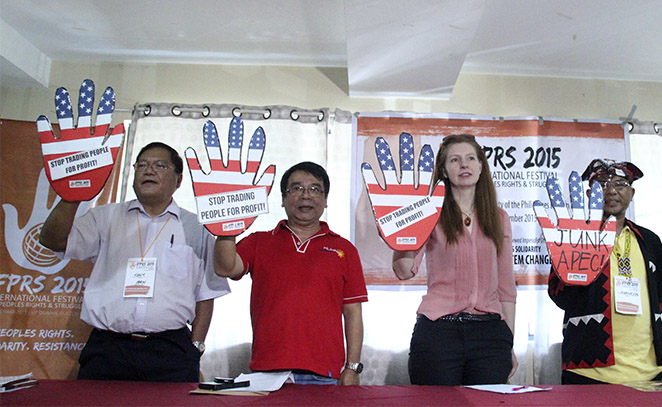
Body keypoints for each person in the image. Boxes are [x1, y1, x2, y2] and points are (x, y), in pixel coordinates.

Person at [39, 142, 229, 382]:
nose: (149, 171)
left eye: (160, 165)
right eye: (142, 165)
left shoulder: (197, 228)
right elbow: (52, 240)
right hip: (109, 348)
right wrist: (71, 196)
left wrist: (197, 346)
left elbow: (206, 294)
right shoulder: (104, 217)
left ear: (178, 180)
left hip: (170, 351)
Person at [214, 161, 368, 385]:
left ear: (325, 201)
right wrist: (225, 229)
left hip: (325, 374)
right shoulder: (259, 241)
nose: (305, 196)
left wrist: (352, 368)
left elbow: (353, 312)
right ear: (283, 199)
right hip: (267, 371)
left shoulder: (345, 249)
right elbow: (226, 267)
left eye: (315, 189)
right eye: (296, 188)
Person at [393, 134, 517, 385]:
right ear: (444, 171)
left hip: (490, 334)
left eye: (471, 158)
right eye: (455, 160)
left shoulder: (499, 217)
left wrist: (509, 343)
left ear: (481, 167)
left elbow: (506, 289)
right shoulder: (428, 213)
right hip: (439, 332)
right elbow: (404, 270)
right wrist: (400, 236)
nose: (464, 165)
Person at [548, 159, 662, 385]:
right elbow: (557, 294)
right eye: (601, 184)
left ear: (632, 193)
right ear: (588, 194)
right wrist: (577, 268)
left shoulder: (650, 241)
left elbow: (660, 296)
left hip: (647, 370)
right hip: (589, 370)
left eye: (620, 184)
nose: (611, 190)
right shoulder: (574, 236)